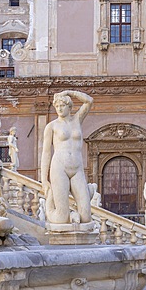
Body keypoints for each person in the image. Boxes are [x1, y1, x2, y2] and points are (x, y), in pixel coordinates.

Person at [40, 90, 95, 226]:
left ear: (69, 107)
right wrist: (44, 180)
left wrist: (69, 92)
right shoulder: (51, 126)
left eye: (62, 106)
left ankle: (77, 210)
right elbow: (46, 153)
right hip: (59, 168)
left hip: (77, 169)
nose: (59, 109)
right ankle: (52, 203)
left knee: (86, 216)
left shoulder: (77, 120)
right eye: (57, 106)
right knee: (61, 218)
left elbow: (89, 101)